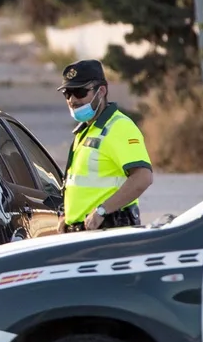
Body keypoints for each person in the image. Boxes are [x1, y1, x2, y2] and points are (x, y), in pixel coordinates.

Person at [58, 59, 154, 232]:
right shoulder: (85, 131)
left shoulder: (119, 127)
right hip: (83, 233)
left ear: (101, 91)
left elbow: (143, 178)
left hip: (109, 231)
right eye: (67, 93)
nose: (72, 99)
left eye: (80, 92)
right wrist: (67, 216)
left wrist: (103, 210)